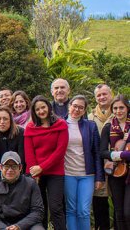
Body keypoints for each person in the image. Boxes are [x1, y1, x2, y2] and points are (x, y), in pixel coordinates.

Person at [24, 95, 68, 230]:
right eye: (37, 109)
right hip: (36, 174)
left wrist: (41, 167)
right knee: (40, 208)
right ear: (34, 112)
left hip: (55, 172)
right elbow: (29, 152)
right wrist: (34, 172)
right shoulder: (30, 127)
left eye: (43, 107)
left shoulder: (61, 125)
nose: (41, 111)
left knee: (56, 207)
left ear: (49, 107)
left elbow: (60, 152)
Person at [64, 95, 104, 230]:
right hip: (68, 173)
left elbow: (97, 153)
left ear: (84, 110)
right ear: (69, 106)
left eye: (81, 107)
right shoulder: (60, 125)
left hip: (87, 174)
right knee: (71, 209)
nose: (77, 109)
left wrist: (99, 177)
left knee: (83, 210)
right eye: (75, 106)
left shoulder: (90, 126)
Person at [0, 151, 44, 230]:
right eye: (6, 166)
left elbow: (38, 212)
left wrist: (18, 226)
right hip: (1, 224)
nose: (10, 170)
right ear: (0, 167)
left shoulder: (31, 184)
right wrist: (3, 228)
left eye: (14, 166)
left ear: (20, 168)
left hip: (26, 224)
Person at [100, 95, 130, 230]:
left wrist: (121, 154)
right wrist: (119, 155)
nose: (119, 111)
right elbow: (102, 152)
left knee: (128, 212)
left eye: (122, 107)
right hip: (116, 172)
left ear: (127, 108)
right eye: (116, 108)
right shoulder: (108, 127)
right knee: (118, 211)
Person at [88, 84, 114, 230]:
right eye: (99, 95)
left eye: (105, 94)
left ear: (111, 94)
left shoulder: (119, 113)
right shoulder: (90, 117)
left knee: (119, 204)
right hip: (98, 167)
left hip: (119, 164)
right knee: (99, 204)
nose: (102, 97)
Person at [0, 106, 25, 175]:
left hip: (18, 173)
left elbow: (22, 158)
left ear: (10, 120)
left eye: (5, 119)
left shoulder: (20, 133)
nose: (2, 122)